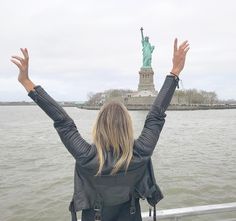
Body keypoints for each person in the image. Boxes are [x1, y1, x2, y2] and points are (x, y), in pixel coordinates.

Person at [11, 38, 189, 221]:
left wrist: (26, 82)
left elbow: (62, 121)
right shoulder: (141, 152)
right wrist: (174, 72)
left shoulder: (87, 156)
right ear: (128, 126)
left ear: (99, 126)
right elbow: (156, 115)